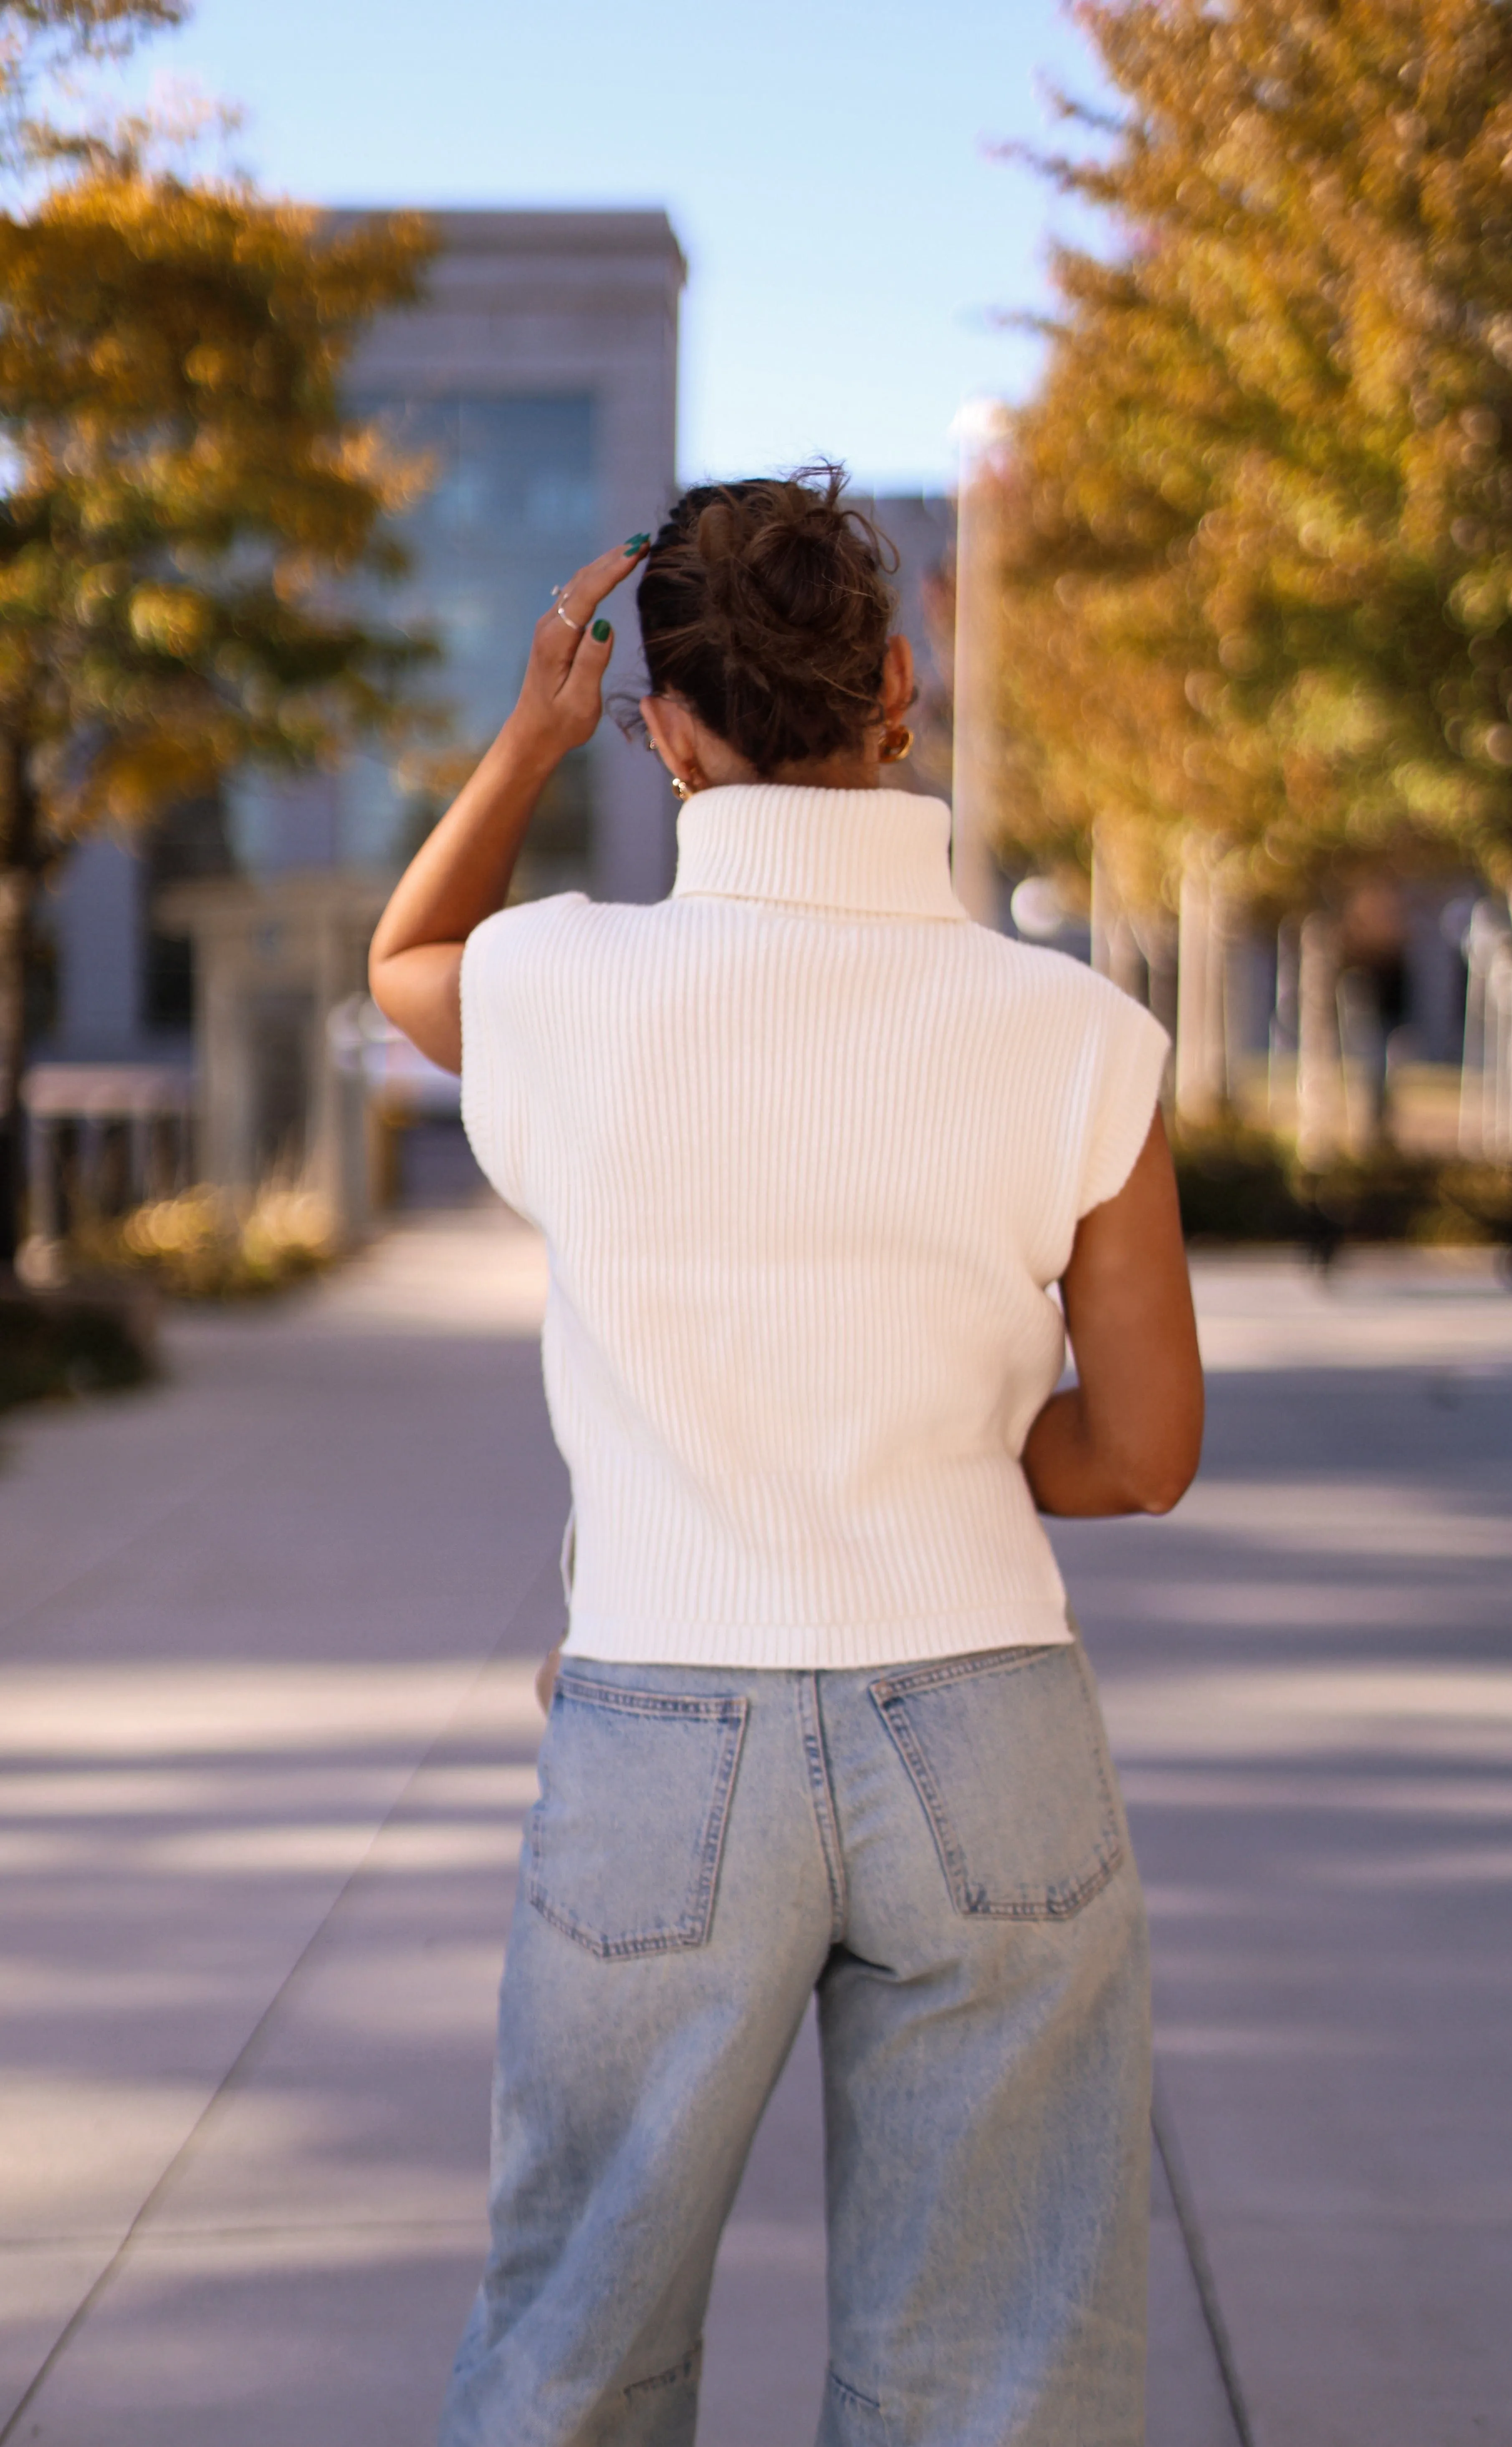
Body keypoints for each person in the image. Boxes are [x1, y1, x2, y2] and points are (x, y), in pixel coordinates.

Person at [369, 465, 1204, 2447]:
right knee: (992, 2382)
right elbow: (1145, 1451)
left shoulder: (565, 986)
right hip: (991, 1732)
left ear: (664, 728)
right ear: (897, 687)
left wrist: (522, 739)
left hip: (665, 1737)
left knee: (569, 2346)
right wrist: (922, 1451)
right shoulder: (1077, 1030)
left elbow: (409, 963)